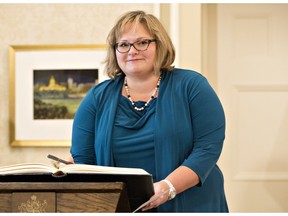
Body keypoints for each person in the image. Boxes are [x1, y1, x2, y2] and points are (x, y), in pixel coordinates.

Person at [70, 10, 228, 212]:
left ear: (159, 45)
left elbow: (208, 148)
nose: (132, 51)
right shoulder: (96, 97)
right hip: (125, 208)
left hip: (192, 203)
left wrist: (168, 187)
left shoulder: (192, 86)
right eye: (124, 44)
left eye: (142, 42)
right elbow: (84, 159)